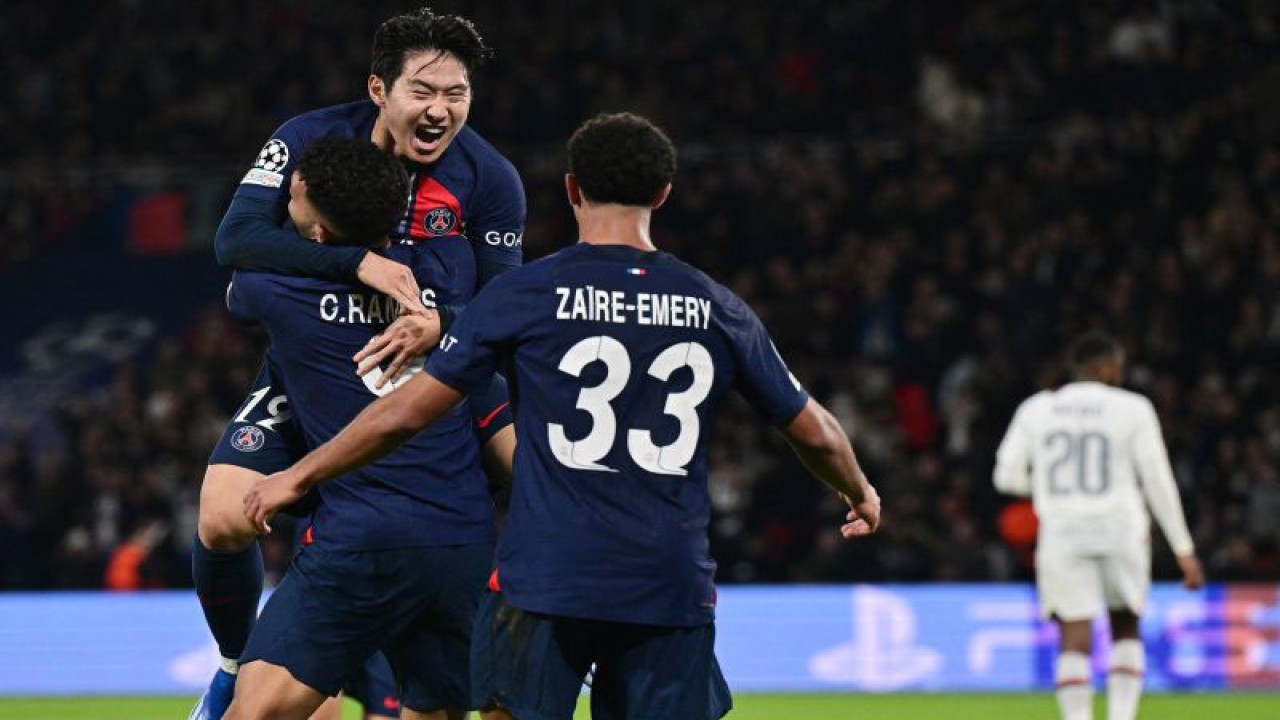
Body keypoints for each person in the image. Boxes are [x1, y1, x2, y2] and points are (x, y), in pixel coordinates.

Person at [243, 112, 881, 720]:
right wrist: (859, 490)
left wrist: (298, 476)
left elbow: (406, 414)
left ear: (572, 188)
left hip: (545, 578)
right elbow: (812, 430)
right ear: (663, 192)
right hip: (666, 577)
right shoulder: (714, 304)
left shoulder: (524, 294)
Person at [191, 6, 524, 719]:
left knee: (534, 474)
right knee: (222, 520)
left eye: (456, 94)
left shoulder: (489, 179)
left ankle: (550, 628)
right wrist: (357, 262)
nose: (440, 111)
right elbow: (236, 240)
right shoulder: (308, 140)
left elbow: (508, 307)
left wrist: (443, 324)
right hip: (313, 365)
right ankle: (229, 665)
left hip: (440, 369)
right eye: (423, 92)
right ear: (379, 90)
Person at [993, 332, 1205, 720]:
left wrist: (1047, 491)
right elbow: (1157, 481)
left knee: (1074, 634)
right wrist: (1183, 549)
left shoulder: (1038, 409)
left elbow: (1006, 477)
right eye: (1118, 366)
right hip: (1120, 528)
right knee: (1125, 624)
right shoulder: (1133, 408)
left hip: (1062, 531)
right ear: (1104, 367)